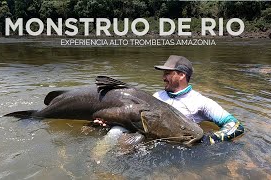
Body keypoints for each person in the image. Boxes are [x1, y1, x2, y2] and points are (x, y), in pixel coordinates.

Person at [94, 55, 244, 145]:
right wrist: (110, 121)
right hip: (146, 143)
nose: (163, 77)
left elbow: (236, 126)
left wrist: (208, 140)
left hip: (176, 149)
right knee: (114, 133)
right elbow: (139, 124)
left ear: (181, 75)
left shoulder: (201, 102)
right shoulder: (157, 96)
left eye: (167, 73)